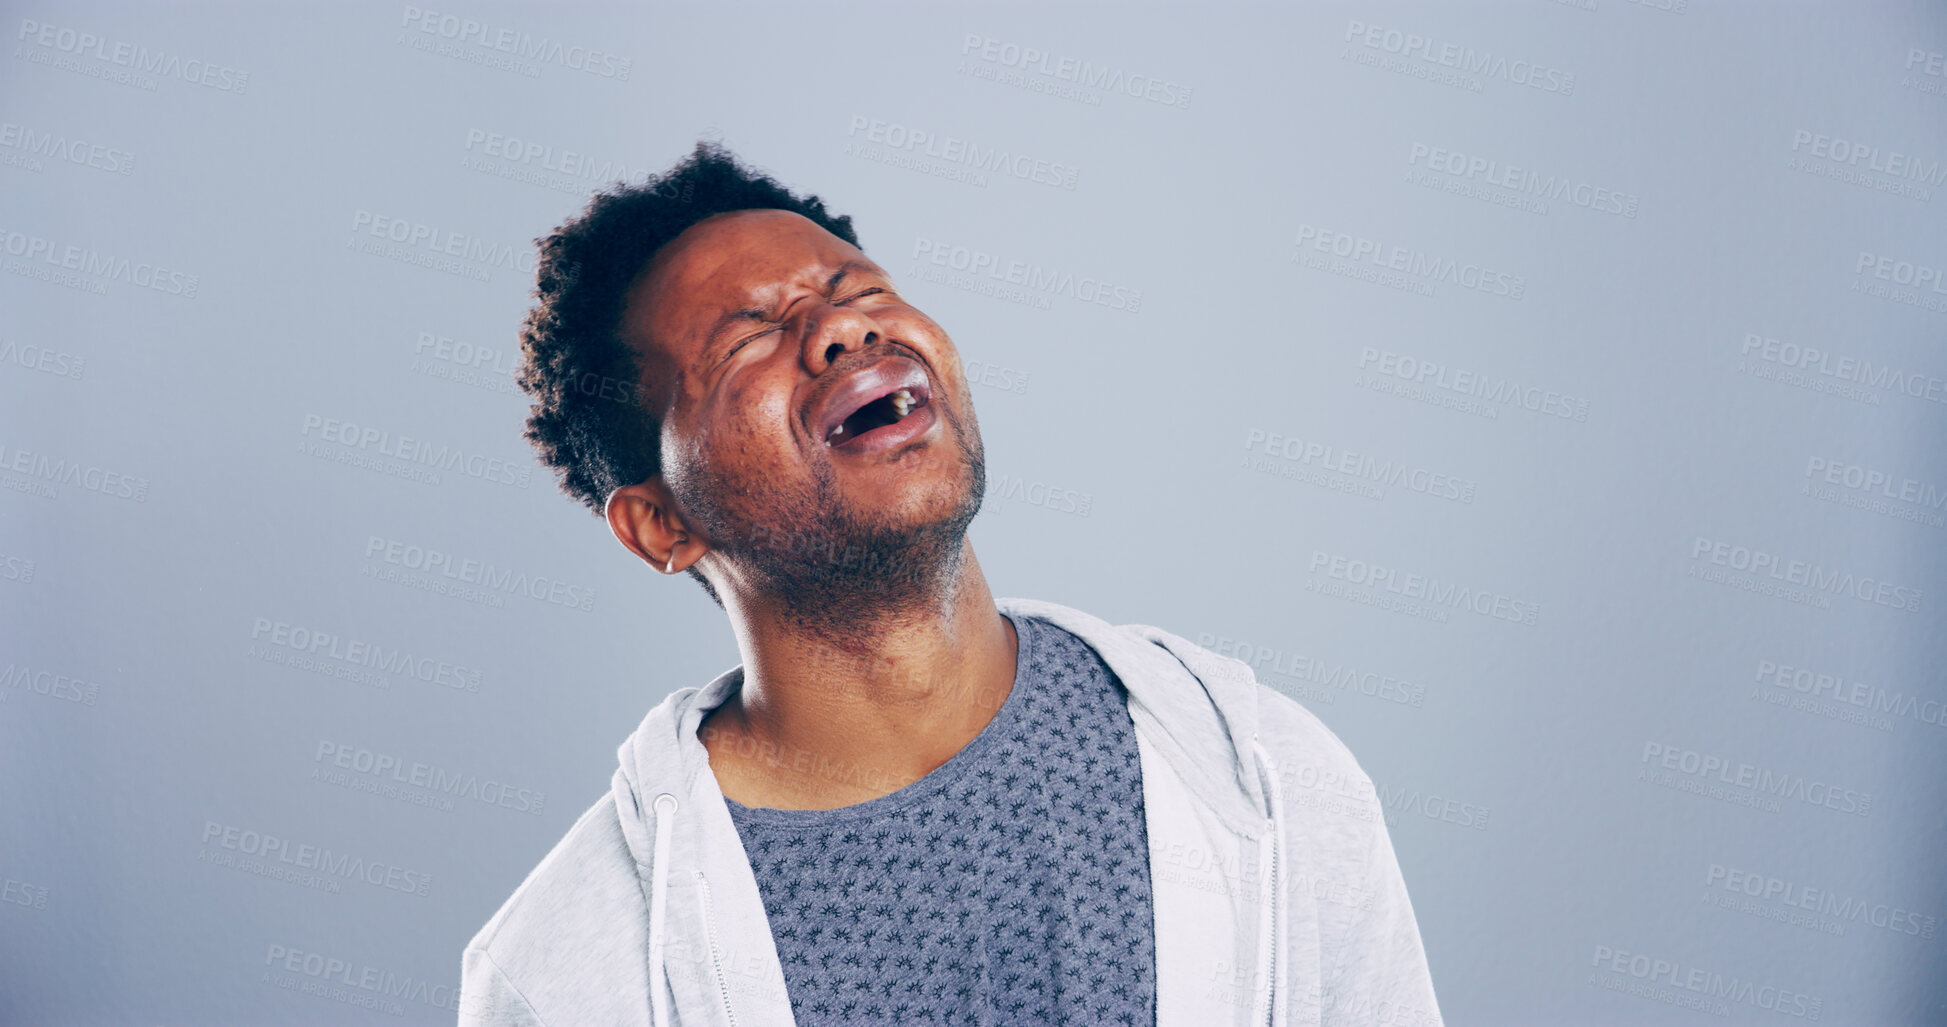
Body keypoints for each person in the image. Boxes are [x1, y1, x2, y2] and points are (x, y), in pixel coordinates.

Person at [457, 140, 1444, 1027]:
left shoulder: (1264, 772)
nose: (842, 330)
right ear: (659, 522)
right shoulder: (559, 977)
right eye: (747, 337)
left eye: (860, 289)